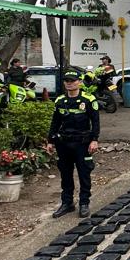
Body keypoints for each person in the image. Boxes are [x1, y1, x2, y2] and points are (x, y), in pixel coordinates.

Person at [49, 67, 100, 218]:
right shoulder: (60, 101)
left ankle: (84, 203)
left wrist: (95, 140)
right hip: (64, 143)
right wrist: (50, 141)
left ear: (79, 82)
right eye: (67, 81)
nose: (69, 83)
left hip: (83, 143)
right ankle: (67, 203)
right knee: (65, 174)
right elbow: (55, 123)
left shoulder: (89, 100)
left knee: (84, 173)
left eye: (72, 81)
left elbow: (95, 122)